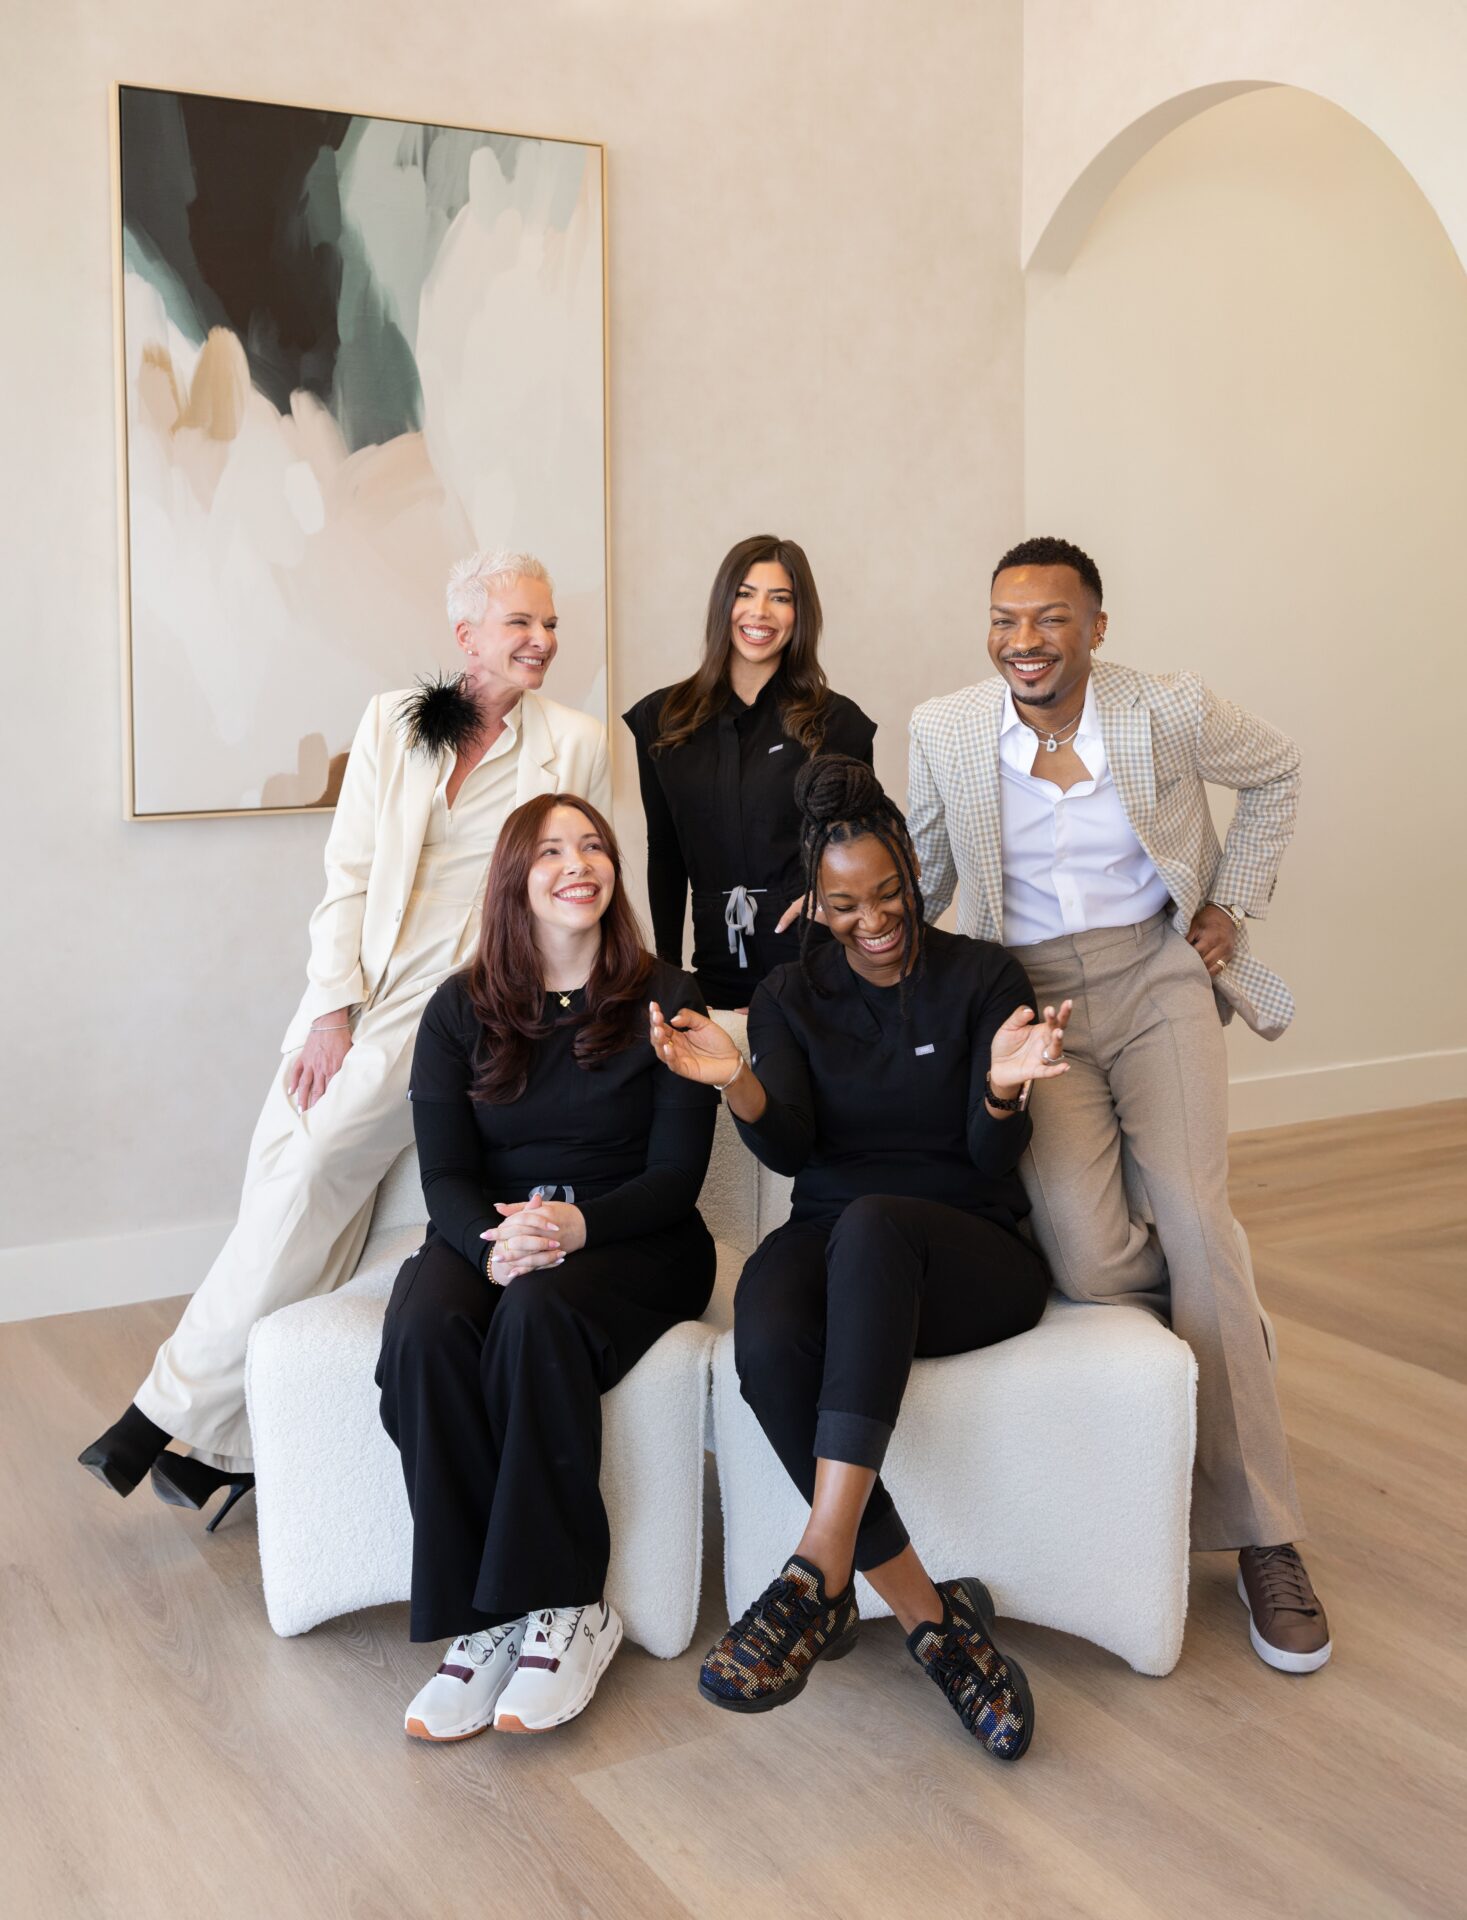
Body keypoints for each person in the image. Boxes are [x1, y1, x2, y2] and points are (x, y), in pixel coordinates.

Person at [79, 551, 611, 1526]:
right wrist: (330, 1011)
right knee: (281, 1172)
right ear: (466, 636)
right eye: (521, 624)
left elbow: (593, 879)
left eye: (550, 625)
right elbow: (349, 874)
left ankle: (157, 1409)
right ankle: (239, 1448)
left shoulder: (574, 742)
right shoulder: (390, 723)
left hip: (466, 996)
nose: (543, 640)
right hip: (362, 985)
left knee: (318, 1164)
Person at [907, 533, 1330, 1675]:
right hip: (1029, 996)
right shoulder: (946, 730)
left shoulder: (1165, 709)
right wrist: (842, 930)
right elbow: (926, 874)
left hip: (1154, 974)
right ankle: (1218, 1306)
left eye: (1050, 618)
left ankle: (1263, 1533)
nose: (1025, 641)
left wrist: (1231, 902)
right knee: (1093, 1263)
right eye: (1005, 619)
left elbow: (1278, 768)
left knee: (1194, 1215)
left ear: (1096, 627)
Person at [651, 755, 1065, 1760]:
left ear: (913, 874)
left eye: (886, 893)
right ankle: (931, 1620)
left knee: (877, 1225)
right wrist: (738, 1081)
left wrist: (1002, 1090)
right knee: (767, 1322)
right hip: (837, 1232)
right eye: (844, 904)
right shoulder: (791, 994)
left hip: (971, 1250)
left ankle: (816, 1564)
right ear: (815, 902)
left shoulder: (983, 976)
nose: (872, 919)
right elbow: (791, 1148)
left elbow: (989, 1158)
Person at [377, 793, 717, 1739]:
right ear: (514, 881)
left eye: (594, 846)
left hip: (634, 1236)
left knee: (536, 1319)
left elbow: (674, 1180)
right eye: (552, 852)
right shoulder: (459, 1007)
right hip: (494, 1232)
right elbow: (444, 1174)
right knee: (425, 1330)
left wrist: (574, 1227)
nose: (579, 865)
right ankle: (482, 1617)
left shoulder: (669, 996)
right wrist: (498, 1245)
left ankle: (569, 1605)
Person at [623, 534, 876, 1008]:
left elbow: (862, 844)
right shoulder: (662, 718)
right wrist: (667, 969)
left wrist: (828, 899)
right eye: (745, 594)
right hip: (714, 962)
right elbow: (666, 850)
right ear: (723, 603)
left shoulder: (837, 722)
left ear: (800, 614)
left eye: (780, 598)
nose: (760, 612)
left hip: (814, 963)